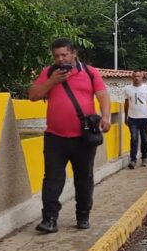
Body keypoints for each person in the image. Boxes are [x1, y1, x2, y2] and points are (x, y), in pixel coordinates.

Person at [28, 38, 111, 233]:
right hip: (55, 137)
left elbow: (103, 95)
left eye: (64, 54)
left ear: (74, 54)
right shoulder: (49, 73)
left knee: (84, 178)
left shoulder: (90, 73)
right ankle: (49, 219)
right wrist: (52, 81)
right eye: (57, 56)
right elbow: (32, 95)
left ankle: (83, 215)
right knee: (52, 179)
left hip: (83, 137)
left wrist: (105, 116)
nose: (60, 58)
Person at [124, 71, 147, 169]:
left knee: (144, 138)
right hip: (132, 118)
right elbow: (126, 103)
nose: (136, 78)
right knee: (134, 138)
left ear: (142, 77)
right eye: (135, 76)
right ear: (132, 77)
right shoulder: (127, 89)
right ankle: (133, 160)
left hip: (144, 117)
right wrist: (126, 116)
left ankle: (144, 157)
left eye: (138, 76)